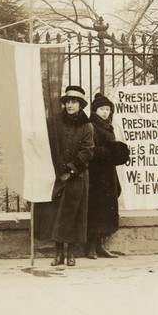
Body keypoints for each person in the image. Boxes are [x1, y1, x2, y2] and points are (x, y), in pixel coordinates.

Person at [49, 85, 94, 267]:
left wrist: (72, 170)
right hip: (57, 176)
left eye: (74, 102)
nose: (70, 105)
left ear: (81, 105)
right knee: (57, 215)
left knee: (74, 214)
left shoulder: (87, 126)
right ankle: (58, 253)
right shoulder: (55, 122)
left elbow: (87, 151)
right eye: (67, 101)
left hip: (77, 177)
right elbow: (50, 144)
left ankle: (72, 253)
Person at [86, 93, 130, 259]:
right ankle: (90, 247)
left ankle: (101, 246)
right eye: (102, 109)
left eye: (107, 109)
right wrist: (110, 150)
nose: (105, 112)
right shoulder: (91, 126)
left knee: (106, 210)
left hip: (108, 173)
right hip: (96, 174)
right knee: (96, 210)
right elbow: (90, 150)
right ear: (95, 110)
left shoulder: (108, 126)